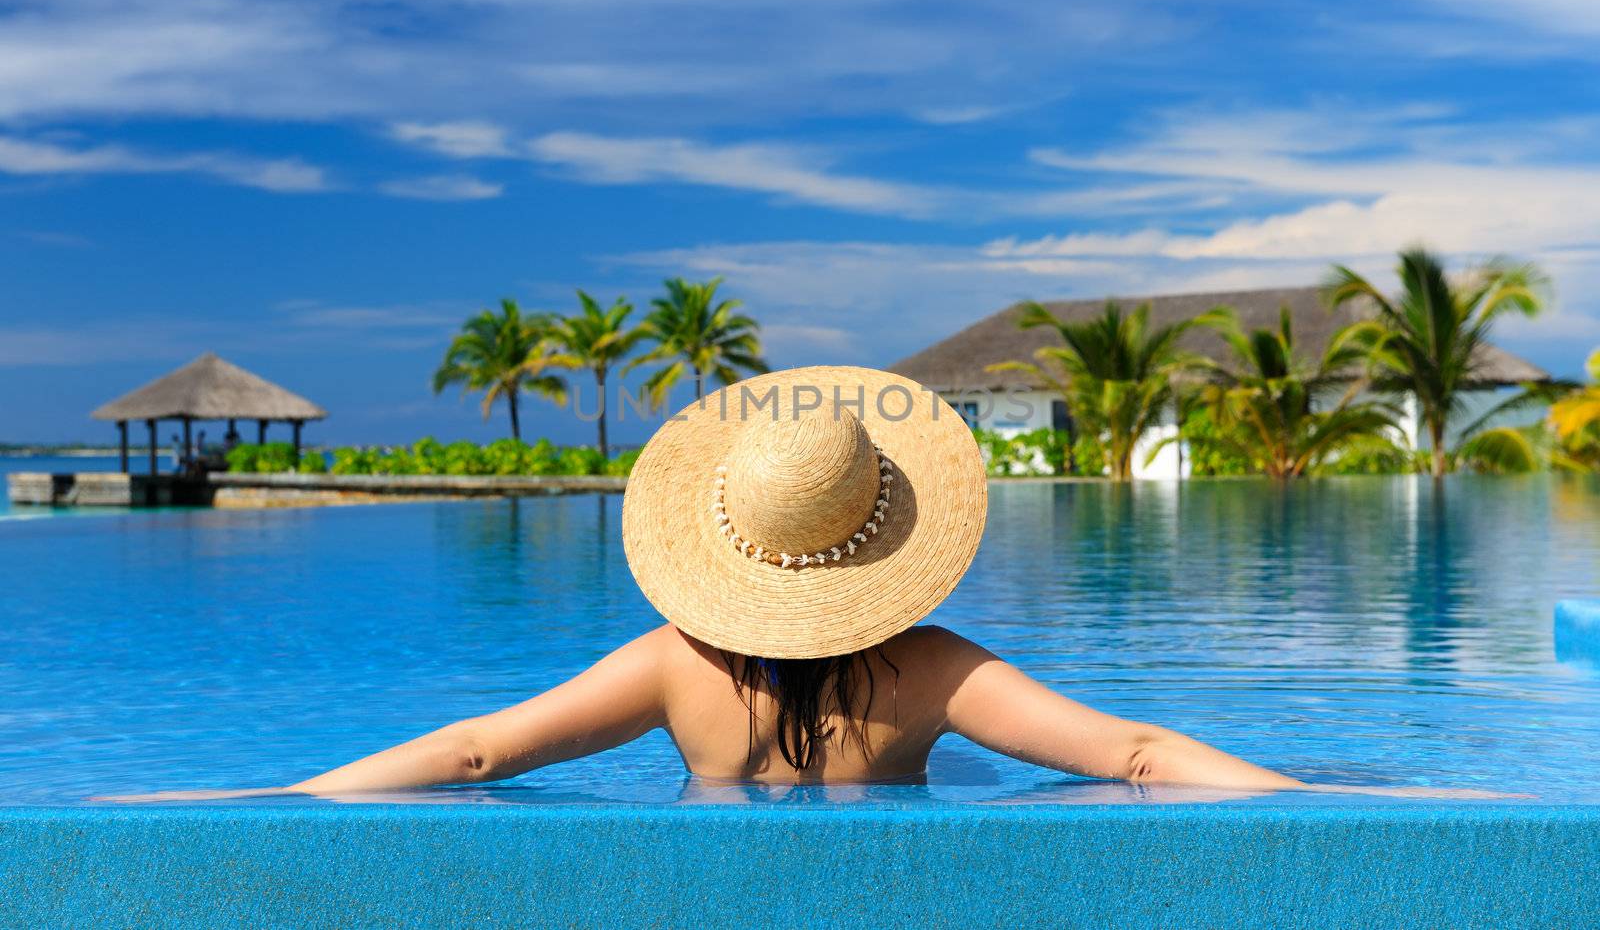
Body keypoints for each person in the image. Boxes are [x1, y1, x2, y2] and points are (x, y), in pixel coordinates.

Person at [107, 366, 1516, 802]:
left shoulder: (670, 670)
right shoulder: (935, 675)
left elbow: (477, 751)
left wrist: (275, 800)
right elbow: (1138, 756)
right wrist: (1323, 796)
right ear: (885, 534)